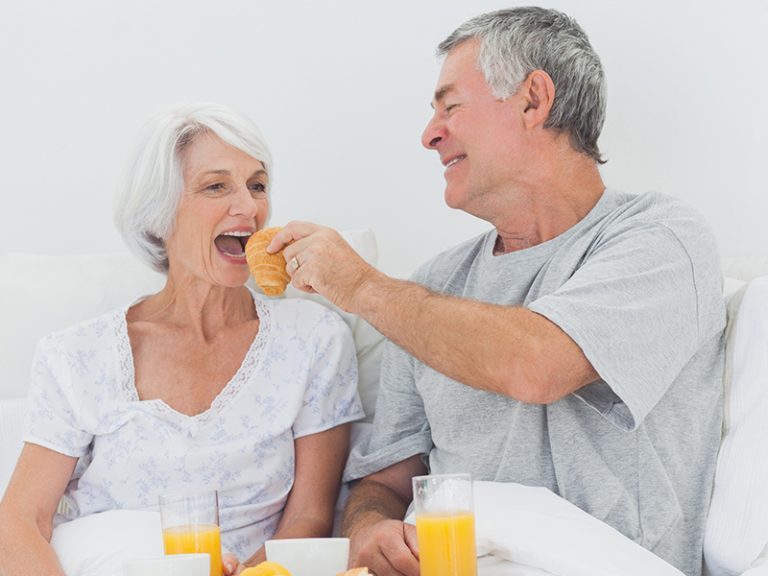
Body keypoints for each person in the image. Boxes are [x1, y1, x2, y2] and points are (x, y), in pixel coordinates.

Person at [266, 7, 725, 576]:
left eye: (450, 106)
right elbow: (384, 481)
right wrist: (369, 528)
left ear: (534, 100)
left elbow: (538, 366)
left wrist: (359, 285)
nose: (430, 134)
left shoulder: (661, 239)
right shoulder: (430, 288)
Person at [0, 103, 364, 575]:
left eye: (257, 185)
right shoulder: (77, 355)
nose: (249, 208)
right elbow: (20, 521)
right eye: (216, 186)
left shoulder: (314, 338)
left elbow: (309, 518)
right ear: (159, 213)